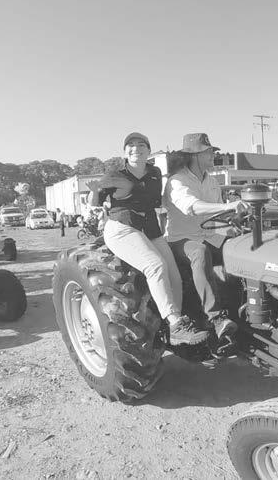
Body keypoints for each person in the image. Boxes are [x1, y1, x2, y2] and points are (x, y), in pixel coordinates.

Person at [86, 132, 208, 346]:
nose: (136, 148)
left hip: (150, 229)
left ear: (148, 150)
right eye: (131, 145)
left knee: (174, 275)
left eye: (141, 145)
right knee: (155, 265)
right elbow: (94, 202)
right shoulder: (114, 175)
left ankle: (177, 329)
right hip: (123, 228)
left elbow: (157, 201)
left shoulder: (155, 173)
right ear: (125, 152)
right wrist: (94, 192)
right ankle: (175, 323)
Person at [164, 133, 247, 340]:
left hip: (210, 236)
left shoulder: (212, 182)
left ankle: (246, 306)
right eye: (208, 152)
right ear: (195, 155)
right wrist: (227, 206)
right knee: (199, 252)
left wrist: (235, 218)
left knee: (241, 248)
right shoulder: (177, 181)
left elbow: (217, 215)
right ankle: (216, 318)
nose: (213, 155)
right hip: (181, 240)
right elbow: (191, 207)